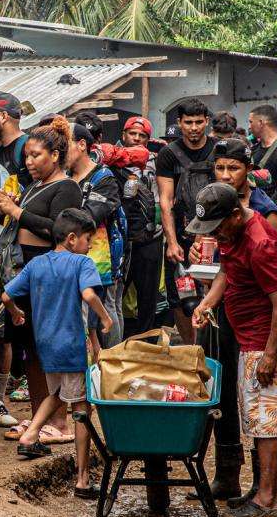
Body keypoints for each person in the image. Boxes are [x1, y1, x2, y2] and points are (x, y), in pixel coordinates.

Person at [190, 182, 277, 517]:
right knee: (258, 420)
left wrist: (270, 355)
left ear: (235, 215)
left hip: (269, 342)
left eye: (218, 227)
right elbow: (227, 271)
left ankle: (266, 498)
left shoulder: (261, 242)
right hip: (251, 339)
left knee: (268, 421)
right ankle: (268, 490)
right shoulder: (234, 236)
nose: (215, 235)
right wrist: (208, 302)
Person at [0, 117, 84, 445]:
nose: (28, 162)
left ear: (55, 156)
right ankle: (40, 416)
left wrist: (16, 212)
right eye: (26, 156)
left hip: (49, 275)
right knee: (30, 348)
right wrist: (5, 208)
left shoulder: (66, 187)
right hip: (27, 273)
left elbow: (58, 229)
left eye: (36, 156)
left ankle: (60, 421)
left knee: (46, 350)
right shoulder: (33, 187)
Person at [2, 208, 111, 496]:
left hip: (46, 345)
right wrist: (106, 318)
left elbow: (6, 295)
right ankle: (83, 477)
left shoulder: (37, 264)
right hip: (71, 345)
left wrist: (15, 314)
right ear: (73, 239)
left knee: (59, 394)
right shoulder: (81, 263)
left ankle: (30, 434)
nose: (90, 246)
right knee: (81, 408)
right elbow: (88, 296)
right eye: (88, 239)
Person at [155, 98, 215, 344]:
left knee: (213, 290)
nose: (193, 127)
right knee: (180, 295)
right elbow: (165, 200)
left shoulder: (218, 149)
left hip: (216, 235)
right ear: (179, 123)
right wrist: (171, 242)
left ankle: (212, 346)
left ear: (207, 122)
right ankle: (191, 348)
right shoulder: (168, 154)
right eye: (188, 122)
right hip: (180, 235)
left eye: (198, 122)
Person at [68, 122, 124, 347]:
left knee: (104, 312)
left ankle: (114, 364)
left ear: (82, 145)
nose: (59, 152)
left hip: (99, 261)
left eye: (65, 145)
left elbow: (89, 217)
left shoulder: (103, 177)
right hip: (71, 259)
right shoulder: (63, 176)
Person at [117, 116, 164, 336]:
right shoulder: (112, 161)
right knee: (116, 293)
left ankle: (147, 345)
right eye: (132, 134)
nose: (136, 138)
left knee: (148, 296)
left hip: (151, 237)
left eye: (142, 135)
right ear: (123, 135)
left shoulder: (156, 161)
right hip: (122, 239)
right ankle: (116, 343)